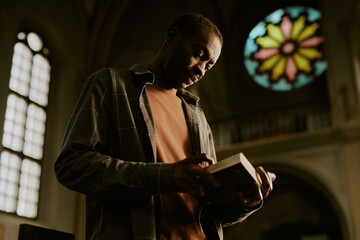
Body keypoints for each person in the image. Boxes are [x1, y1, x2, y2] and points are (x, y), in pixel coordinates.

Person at [54, 12, 276, 240]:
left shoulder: (198, 117)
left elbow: (208, 213)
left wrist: (244, 203)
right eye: (199, 54)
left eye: (208, 66)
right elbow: (71, 166)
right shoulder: (110, 85)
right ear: (172, 37)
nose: (201, 70)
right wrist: (166, 177)